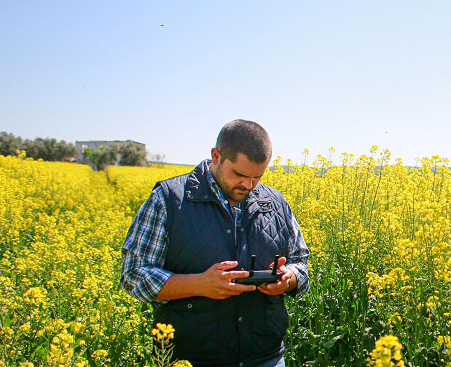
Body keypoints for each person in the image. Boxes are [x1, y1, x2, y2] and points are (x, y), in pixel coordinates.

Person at [120, 120, 310, 367]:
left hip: (265, 357)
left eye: (257, 177)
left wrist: (289, 278)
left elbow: (300, 262)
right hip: (192, 358)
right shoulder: (169, 199)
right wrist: (198, 284)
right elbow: (133, 273)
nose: (248, 185)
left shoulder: (275, 202)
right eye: (239, 174)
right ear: (216, 156)